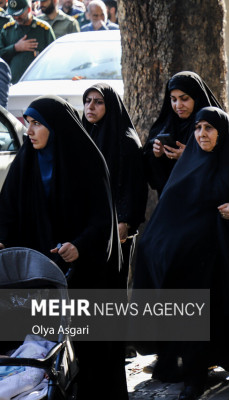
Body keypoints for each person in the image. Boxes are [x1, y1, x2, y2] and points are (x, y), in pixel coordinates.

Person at [135, 107, 229, 400]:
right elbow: (170, 209)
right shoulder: (188, 162)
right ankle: (194, 376)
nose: (202, 134)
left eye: (209, 129)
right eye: (198, 128)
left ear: (222, 132)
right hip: (193, 261)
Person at [0, 95, 128, 398]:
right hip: (41, 274)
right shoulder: (26, 161)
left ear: (55, 127)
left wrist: (80, 246)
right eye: (28, 123)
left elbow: (102, 219)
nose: (29, 131)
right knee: (44, 351)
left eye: (36, 124)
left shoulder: (87, 161)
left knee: (91, 353)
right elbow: (7, 209)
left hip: (86, 274)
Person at [81, 83, 147, 288]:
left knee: (111, 286)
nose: (91, 107)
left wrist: (125, 221)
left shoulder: (126, 142)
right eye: (87, 101)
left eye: (98, 102)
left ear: (110, 105)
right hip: (90, 226)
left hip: (117, 228)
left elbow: (134, 186)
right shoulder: (85, 135)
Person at [142, 71, 221, 196]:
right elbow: (151, 173)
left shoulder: (212, 126)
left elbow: (224, 162)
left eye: (184, 99)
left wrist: (190, 156)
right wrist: (157, 154)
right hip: (171, 200)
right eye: (173, 100)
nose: (178, 105)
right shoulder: (165, 126)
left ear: (196, 98)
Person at [0, 0, 55, 83]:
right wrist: (15, 48)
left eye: (19, 14)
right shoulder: (7, 30)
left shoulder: (43, 30)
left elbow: (53, 58)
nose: (16, 17)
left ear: (28, 9)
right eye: (13, 14)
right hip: (13, 83)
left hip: (38, 82)